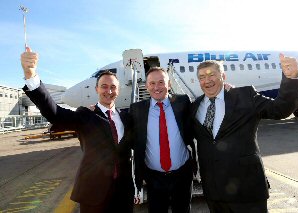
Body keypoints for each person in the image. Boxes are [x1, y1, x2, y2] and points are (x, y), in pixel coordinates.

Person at [20, 47, 134, 213]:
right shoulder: (85, 115)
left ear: (119, 90)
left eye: (113, 87)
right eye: (104, 86)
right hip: (94, 194)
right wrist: (31, 76)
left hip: (123, 193)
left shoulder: (127, 117)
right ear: (97, 89)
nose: (108, 91)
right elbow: (55, 114)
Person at [190, 54, 298, 213]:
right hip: (214, 192)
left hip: (247, 189)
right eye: (202, 77)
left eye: (212, 75)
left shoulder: (245, 96)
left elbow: (280, 109)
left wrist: (292, 78)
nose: (207, 80)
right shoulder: (195, 106)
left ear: (223, 76)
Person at [130, 67, 197, 213]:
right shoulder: (136, 109)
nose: (156, 87)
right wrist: (97, 110)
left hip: (182, 175)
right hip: (154, 178)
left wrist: (227, 92)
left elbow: (203, 107)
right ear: (147, 86)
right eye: (152, 83)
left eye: (161, 82)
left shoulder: (183, 102)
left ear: (169, 84)